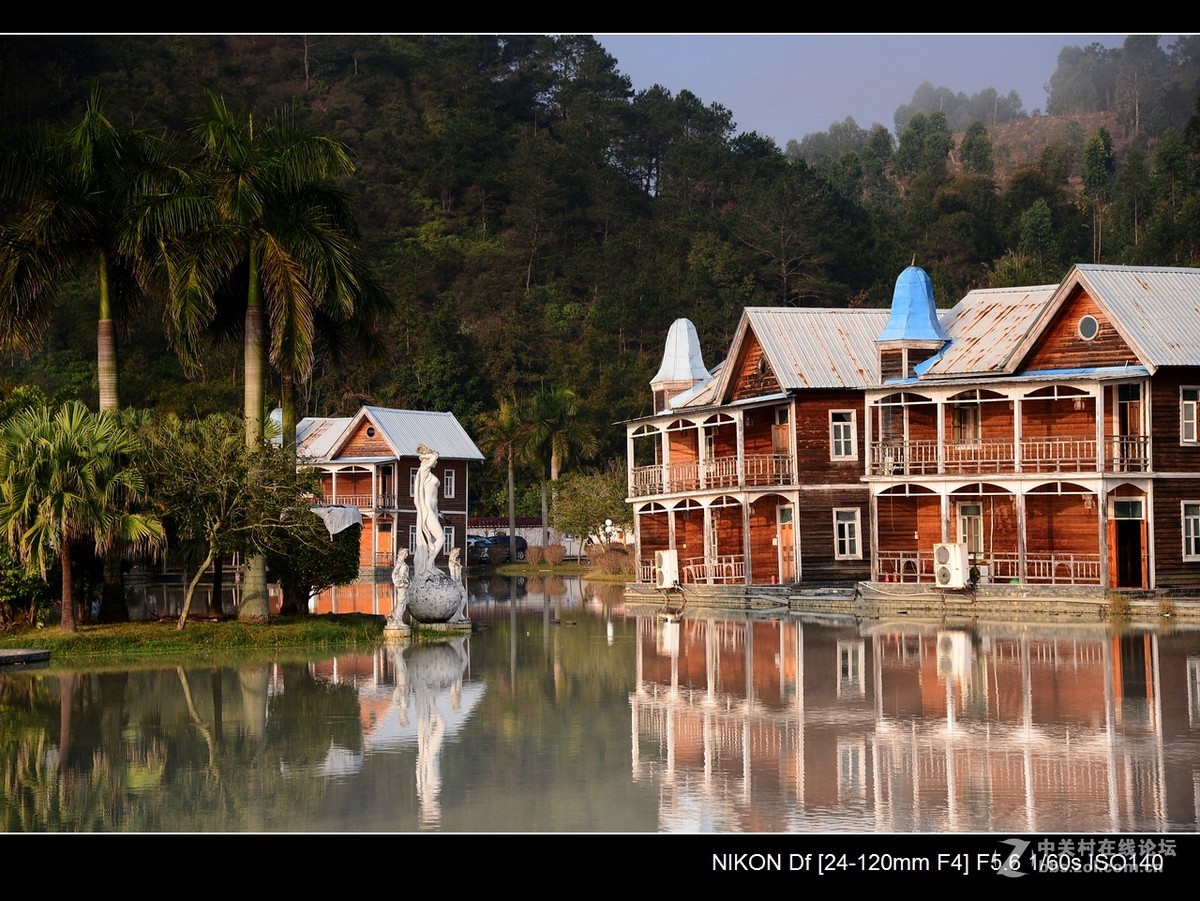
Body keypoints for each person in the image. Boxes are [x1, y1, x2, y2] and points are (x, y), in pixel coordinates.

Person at [413, 444, 443, 579]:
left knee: (433, 540)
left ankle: (430, 564)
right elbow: (435, 456)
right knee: (441, 538)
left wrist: (439, 512)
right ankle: (429, 564)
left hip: (433, 511)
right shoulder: (423, 470)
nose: (436, 462)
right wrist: (430, 452)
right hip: (427, 512)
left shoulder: (429, 474)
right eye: (433, 461)